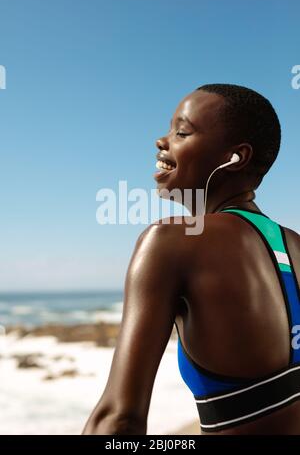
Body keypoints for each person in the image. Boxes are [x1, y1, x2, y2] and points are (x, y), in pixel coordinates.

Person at [82, 84, 300, 435]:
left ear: (236, 158)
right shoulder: (296, 245)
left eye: (182, 131)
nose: (161, 140)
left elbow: (118, 419)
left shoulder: (170, 241)